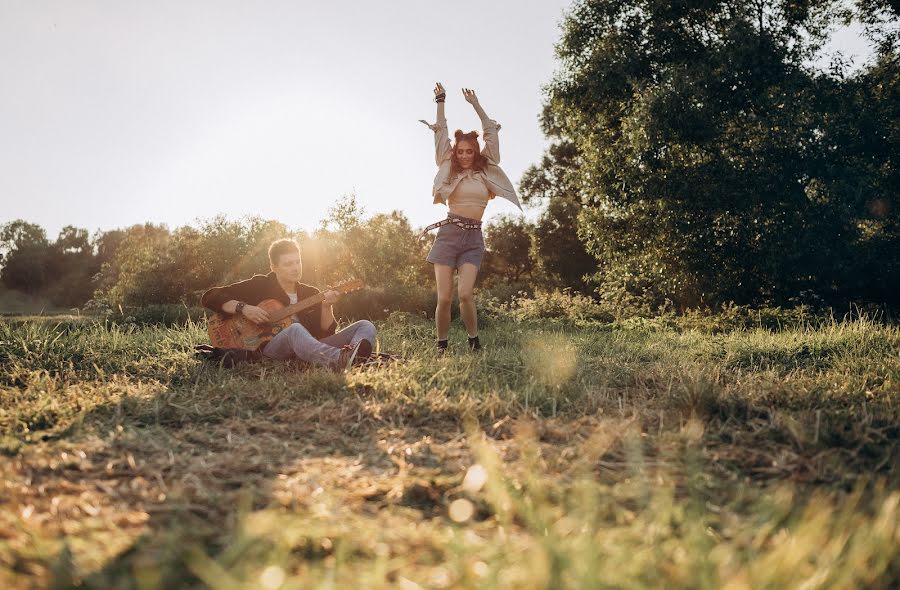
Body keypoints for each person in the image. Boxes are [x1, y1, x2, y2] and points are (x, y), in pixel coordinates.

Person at [420, 83, 522, 352]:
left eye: (469, 151)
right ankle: (441, 346)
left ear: (475, 152)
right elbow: (440, 133)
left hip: (473, 237)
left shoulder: (487, 167)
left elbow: (490, 131)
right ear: (456, 151)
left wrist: (475, 104)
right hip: (449, 234)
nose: (464, 155)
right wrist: (440, 101)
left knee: (465, 294)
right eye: (461, 151)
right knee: (444, 298)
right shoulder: (447, 165)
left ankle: (474, 342)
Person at [200, 238, 376, 369]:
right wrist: (243, 308)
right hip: (269, 351)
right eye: (288, 264)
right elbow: (210, 296)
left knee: (365, 325)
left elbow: (324, 334)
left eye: (298, 261)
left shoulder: (311, 293)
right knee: (295, 330)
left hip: (308, 347)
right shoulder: (260, 285)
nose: (295, 267)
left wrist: (326, 306)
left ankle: (353, 357)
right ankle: (341, 359)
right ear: (274, 267)